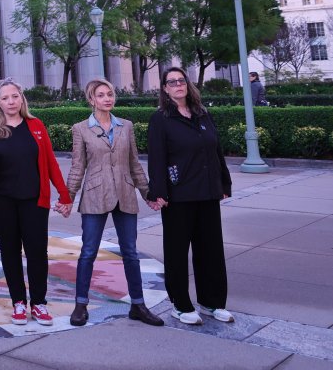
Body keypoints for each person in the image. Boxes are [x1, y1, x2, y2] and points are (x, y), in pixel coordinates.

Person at [0, 78, 71, 326]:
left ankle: (38, 303)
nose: (11, 101)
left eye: (15, 96)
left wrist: (64, 194)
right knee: (10, 252)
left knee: (37, 252)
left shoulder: (36, 125)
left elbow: (51, 163)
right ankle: (18, 302)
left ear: (21, 98)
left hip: (34, 201)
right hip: (1, 203)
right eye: (5, 98)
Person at [65, 78, 163, 327]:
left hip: (125, 193)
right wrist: (68, 197)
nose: (107, 98)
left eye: (110, 94)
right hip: (95, 196)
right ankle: (80, 304)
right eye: (101, 95)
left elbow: (134, 163)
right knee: (88, 252)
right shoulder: (80, 129)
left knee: (130, 252)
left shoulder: (126, 126)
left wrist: (148, 193)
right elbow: (78, 167)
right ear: (92, 100)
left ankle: (138, 305)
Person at [148, 67, 234, 326]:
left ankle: (212, 302)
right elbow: (157, 159)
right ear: (164, 88)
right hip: (178, 195)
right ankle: (181, 305)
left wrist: (224, 181)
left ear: (187, 84)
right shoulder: (161, 119)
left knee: (211, 250)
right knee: (176, 252)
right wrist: (158, 192)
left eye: (181, 80)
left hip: (207, 192)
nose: (177, 85)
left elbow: (216, 150)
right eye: (171, 82)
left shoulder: (202, 114)